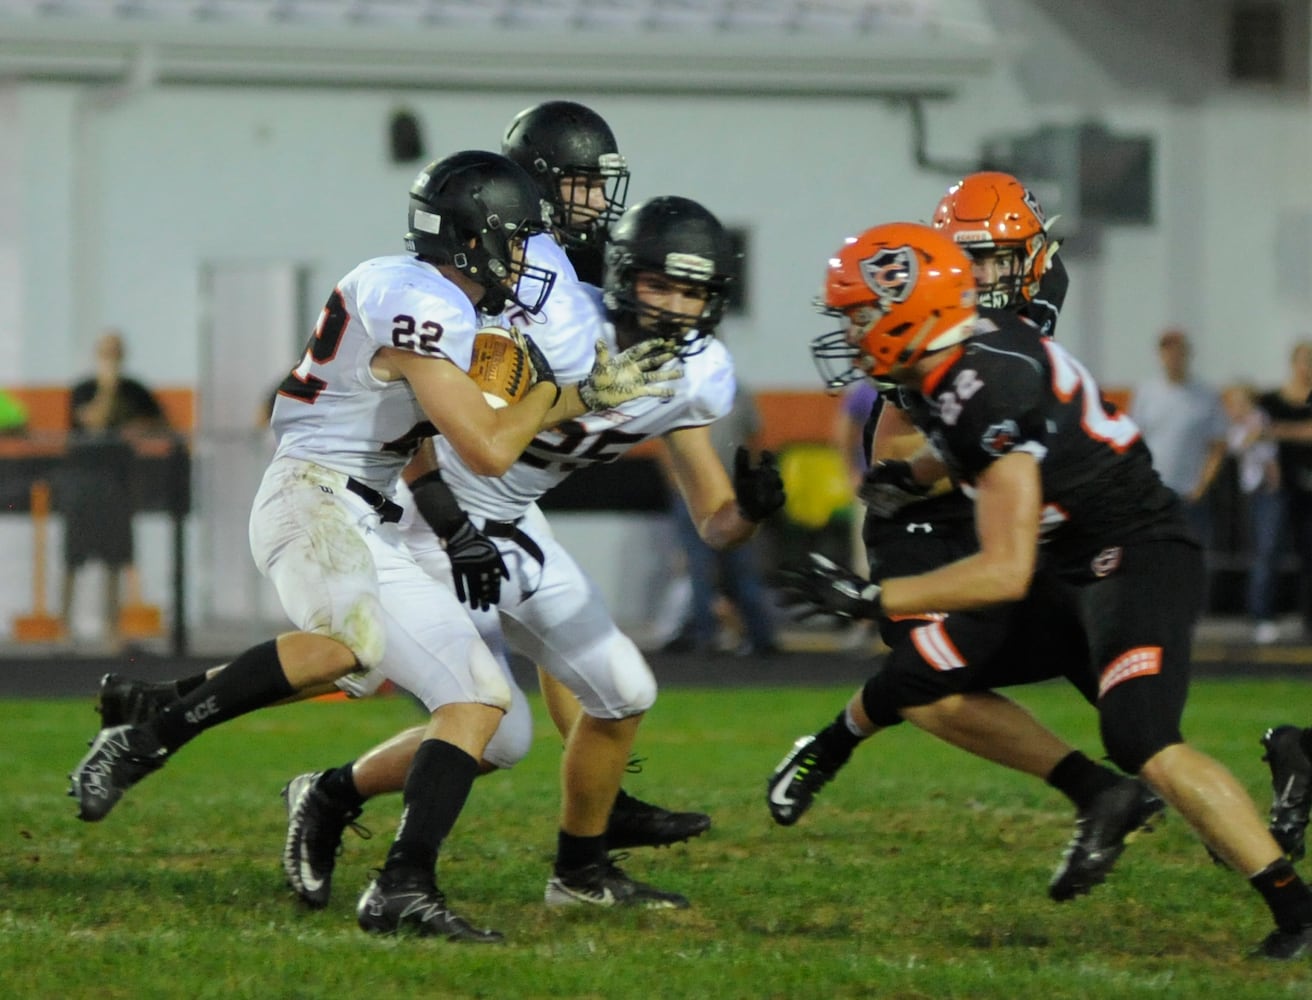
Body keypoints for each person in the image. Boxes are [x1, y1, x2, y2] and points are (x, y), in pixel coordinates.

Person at [68, 149, 679, 942]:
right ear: (474, 238)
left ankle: (403, 886)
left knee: (481, 702)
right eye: (518, 238)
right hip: (311, 495)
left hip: (370, 509)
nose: (527, 256)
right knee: (346, 648)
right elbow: (490, 448)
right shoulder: (417, 297)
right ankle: (150, 735)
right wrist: (578, 395)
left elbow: (421, 437)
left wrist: (454, 522)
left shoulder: (441, 302)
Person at [781, 220, 1312, 960]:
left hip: (1130, 555)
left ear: (908, 306)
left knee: (1141, 736)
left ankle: (1297, 912)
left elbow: (1002, 567)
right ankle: (1101, 791)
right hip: (1072, 560)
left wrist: (875, 600)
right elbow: (961, 440)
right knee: (917, 675)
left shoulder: (982, 382)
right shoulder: (957, 353)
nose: (849, 330)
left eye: (858, 312)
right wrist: (917, 476)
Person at [270, 194, 783, 914]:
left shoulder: (696, 376)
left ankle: (580, 871)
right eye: (656, 285)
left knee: (624, 694)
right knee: (496, 732)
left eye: (690, 291)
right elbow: (428, 419)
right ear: (621, 276)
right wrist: (448, 517)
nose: (671, 307)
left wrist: (751, 514)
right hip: (436, 525)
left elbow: (716, 524)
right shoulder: (555, 327)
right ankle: (342, 807)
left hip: (516, 524)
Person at [769, 171, 1156, 905]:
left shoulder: (1033, 286)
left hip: (994, 486)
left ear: (1031, 257)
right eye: (966, 257)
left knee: (1105, 660)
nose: (982, 274)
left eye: (999, 259)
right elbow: (933, 438)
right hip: (921, 503)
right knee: (929, 675)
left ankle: (1162, 791)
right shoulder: (925, 307)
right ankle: (836, 744)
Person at [61, 330, 171, 649]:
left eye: (117, 352)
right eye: (107, 352)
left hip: (118, 482)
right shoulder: (83, 389)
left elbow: (163, 423)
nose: (112, 358)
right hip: (82, 480)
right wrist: (107, 388)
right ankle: (65, 627)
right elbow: (94, 423)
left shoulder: (136, 390)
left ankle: (112, 628)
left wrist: (139, 428)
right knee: (74, 555)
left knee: (115, 556)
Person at [661, 378, 781, 657]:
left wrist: (754, 480)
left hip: (735, 493)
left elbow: (753, 438)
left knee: (743, 568)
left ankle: (760, 635)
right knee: (699, 569)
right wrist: (678, 487)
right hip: (693, 492)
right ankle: (706, 636)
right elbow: (667, 447)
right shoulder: (681, 390)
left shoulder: (738, 390)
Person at [1129, 328, 1228, 549]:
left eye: (1178, 351)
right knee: (1155, 553)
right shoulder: (1146, 393)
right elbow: (1133, 442)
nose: (1173, 357)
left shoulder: (1206, 395)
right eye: (1168, 352)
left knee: (1193, 553)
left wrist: (1201, 487)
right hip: (1155, 491)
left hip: (1190, 494)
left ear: (1187, 354)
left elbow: (1218, 446)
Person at [1218, 382, 1282, 643]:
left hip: (1266, 491)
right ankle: (1258, 612)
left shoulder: (1260, 418)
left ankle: (1263, 613)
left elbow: (1268, 446)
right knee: (1257, 551)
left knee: (1267, 550)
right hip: (1249, 493)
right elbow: (1239, 445)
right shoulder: (1233, 427)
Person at [1257, 340, 1312, 640]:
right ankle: (1264, 617)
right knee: (1269, 551)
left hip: (1308, 487)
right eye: (1304, 360)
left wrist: (1279, 431)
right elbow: (1253, 430)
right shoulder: (1271, 400)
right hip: (1277, 488)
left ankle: (1307, 619)